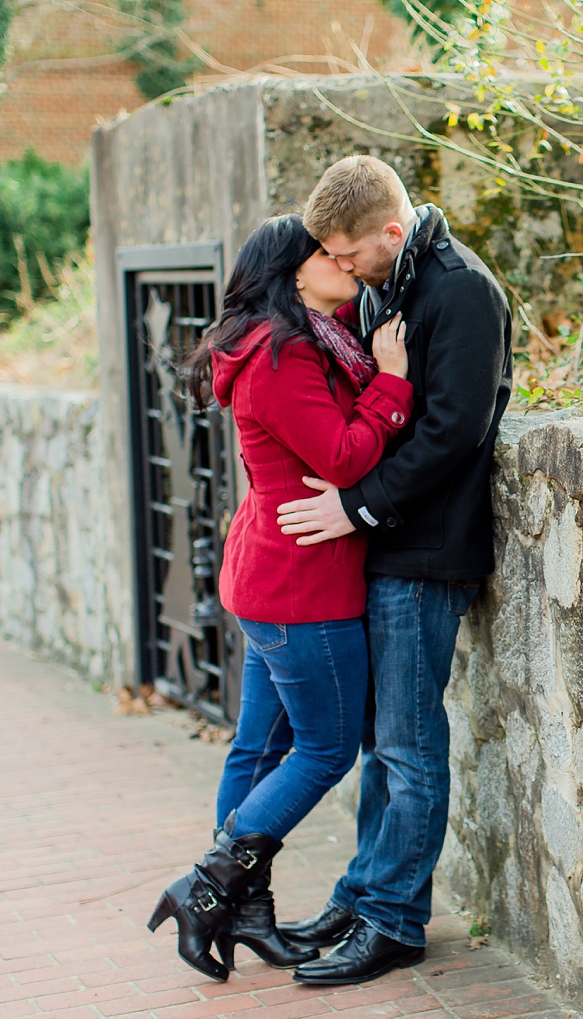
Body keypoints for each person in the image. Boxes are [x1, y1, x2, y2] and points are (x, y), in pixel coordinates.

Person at [146, 214, 413, 982]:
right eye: (324, 253)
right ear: (293, 273)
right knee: (325, 749)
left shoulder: (292, 339)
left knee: (258, 749)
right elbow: (343, 453)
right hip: (303, 583)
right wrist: (392, 382)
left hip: (273, 572)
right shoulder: (283, 352)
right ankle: (207, 886)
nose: (342, 260)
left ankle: (244, 906)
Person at [271, 155, 513, 986]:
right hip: (387, 548)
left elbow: (453, 431)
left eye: (348, 255)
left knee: (409, 747)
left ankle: (394, 920)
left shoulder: (461, 290)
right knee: (383, 745)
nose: (340, 271)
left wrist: (354, 506)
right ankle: (363, 893)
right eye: (330, 258)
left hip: (425, 551)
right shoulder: (392, 280)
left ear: (390, 230)